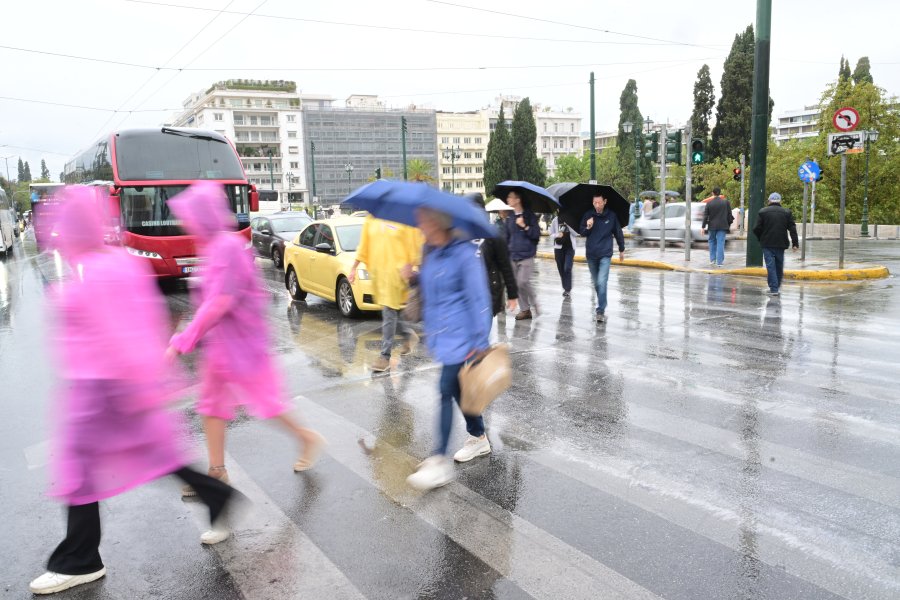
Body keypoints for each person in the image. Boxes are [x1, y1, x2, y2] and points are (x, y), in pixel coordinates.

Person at [29, 188, 236, 595]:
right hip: (123, 386)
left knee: (81, 470)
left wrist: (136, 383)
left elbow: (116, 331)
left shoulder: (93, 270)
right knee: (157, 458)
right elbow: (143, 319)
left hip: (104, 389)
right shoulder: (120, 262)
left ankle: (80, 559)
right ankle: (217, 497)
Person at [165, 182, 325, 520]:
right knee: (210, 406)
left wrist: (182, 341)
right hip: (221, 347)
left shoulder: (226, 248)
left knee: (266, 404)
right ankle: (217, 471)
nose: (186, 224)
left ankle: (308, 437)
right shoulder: (214, 247)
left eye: (190, 218)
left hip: (243, 348)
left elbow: (219, 302)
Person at [405, 207, 493, 490]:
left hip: (464, 337)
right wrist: (412, 278)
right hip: (442, 336)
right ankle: (478, 437)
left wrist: (479, 343)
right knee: (457, 390)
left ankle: (439, 461)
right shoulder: (429, 251)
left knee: (444, 389)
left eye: (424, 222)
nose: (420, 227)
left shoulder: (465, 254)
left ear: (438, 222)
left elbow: (479, 298)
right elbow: (432, 289)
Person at [349, 215, 424, 372]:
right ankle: (408, 335)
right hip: (379, 273)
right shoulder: (371, 219)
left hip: (397, 273)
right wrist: (354, 267)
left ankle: (384, 357)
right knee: (390, 309)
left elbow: (414, 242)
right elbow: (364, 245)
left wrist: (413, 265)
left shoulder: (402, 219)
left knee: (389, 310)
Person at [468, 193, 519, 315]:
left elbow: (505, 266)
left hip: (487, 292)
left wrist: (512, 295)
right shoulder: (461, 234)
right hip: (467, 293)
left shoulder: (493, 235)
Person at [579, 193, 625, 323]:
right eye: (595, 203)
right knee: (596, 283)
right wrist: (588, 227)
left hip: (605, 254)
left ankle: (600, 310)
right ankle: (603, 301)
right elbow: (582, 232)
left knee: (601, 282)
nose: (597, 205)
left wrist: (622, 249)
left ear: (605, 201)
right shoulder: (588, 215)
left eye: (599, 202)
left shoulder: (612, 216)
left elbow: (618, 233)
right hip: (591, 254)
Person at [752, 192, 799, 296]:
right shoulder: (787, 212)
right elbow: (792, 229)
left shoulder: (763, 212)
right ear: (780, 201)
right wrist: (795, 243)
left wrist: (761, 237)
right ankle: (777, 285)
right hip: (781, 243)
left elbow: (756, 228)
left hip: (767, 243)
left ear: (769, 201)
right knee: (779, 264)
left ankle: (773, 288)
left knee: (770, 265)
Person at [504, 191, 541, 320]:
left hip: (526, 255)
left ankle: (534, 303)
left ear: (517, 200)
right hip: (513, 255)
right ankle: (525, 310)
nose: (508, 199)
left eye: (510, 197)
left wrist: (524, 225)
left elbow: (536, 234)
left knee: (523, 281)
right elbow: (506, 236)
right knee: (517, 284)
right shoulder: (510, 217)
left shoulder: (530, 216)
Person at [701, 187, 734, 267]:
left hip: (712, 226)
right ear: (720, 193)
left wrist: (703, 227)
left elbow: (705, 216)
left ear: (712, 193)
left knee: (712, 241)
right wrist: (729, 224)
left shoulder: (709, 203)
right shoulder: (726, 202)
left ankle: (712, 260)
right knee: (720, 243)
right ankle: (720, 262)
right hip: (723, 225)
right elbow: (729, 214)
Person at [550, 214, 577, 297]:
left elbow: (576, 233)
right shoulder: (555, 220)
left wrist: (568, 225)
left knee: (567, 267)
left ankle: (568, 288)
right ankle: (565, 287)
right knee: (561, 269)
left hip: (570, 248)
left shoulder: (571, 219)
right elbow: (551, 234)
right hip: (558, 248)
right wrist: (557, 235)